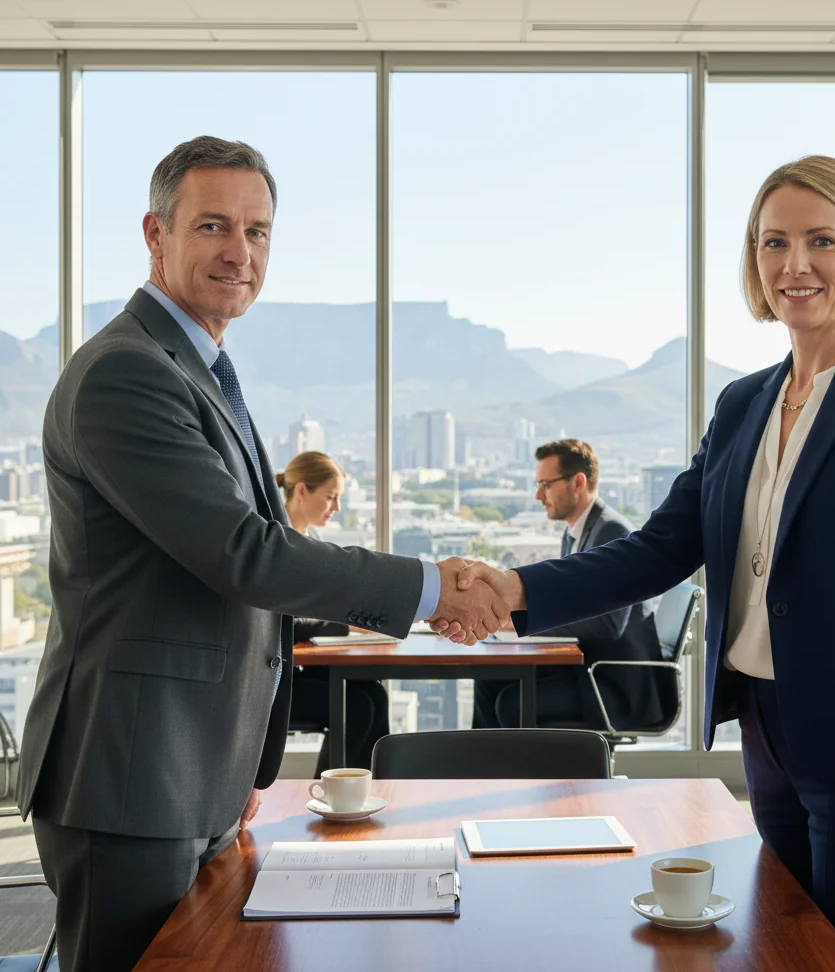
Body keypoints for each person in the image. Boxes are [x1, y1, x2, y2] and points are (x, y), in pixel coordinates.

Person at [446, 156, 835, 972]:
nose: (794, 266)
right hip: (766, 736)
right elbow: (660, 548)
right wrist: (514, 589)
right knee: (788, 949)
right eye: (774, 243)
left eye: (820, 242)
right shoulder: (744, 404)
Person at [16, 135, 507, 972]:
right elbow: (246, 554)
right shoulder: (125, 374)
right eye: (213, 226)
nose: (238, 252)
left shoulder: (200, 369)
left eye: (258, 231)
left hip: (190, 765)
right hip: (131, 774)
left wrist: (242, 760)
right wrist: (431, 588)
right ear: (155, 232)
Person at [473, 439, 664, 732]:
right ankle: (482, 775)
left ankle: (526, 778)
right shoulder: (576, 533)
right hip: (586, 669)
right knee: (489, 679)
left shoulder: (612, 532)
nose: (538, 495)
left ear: (578, 482)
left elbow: (608, 625)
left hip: (613, 685)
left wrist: (523, 621)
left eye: (546, 484)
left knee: (511, 703)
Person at [278, 450, 390, 772]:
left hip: (302, 668)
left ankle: (368, 792)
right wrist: (347, 625)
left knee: (373, 696)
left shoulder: (310, 539)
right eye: (330, 497)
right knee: (357, 704)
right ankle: (331, 796)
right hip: (276, 676)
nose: (337, 508)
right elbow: (283, 619)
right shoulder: (275, 539)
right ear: (301, 490)